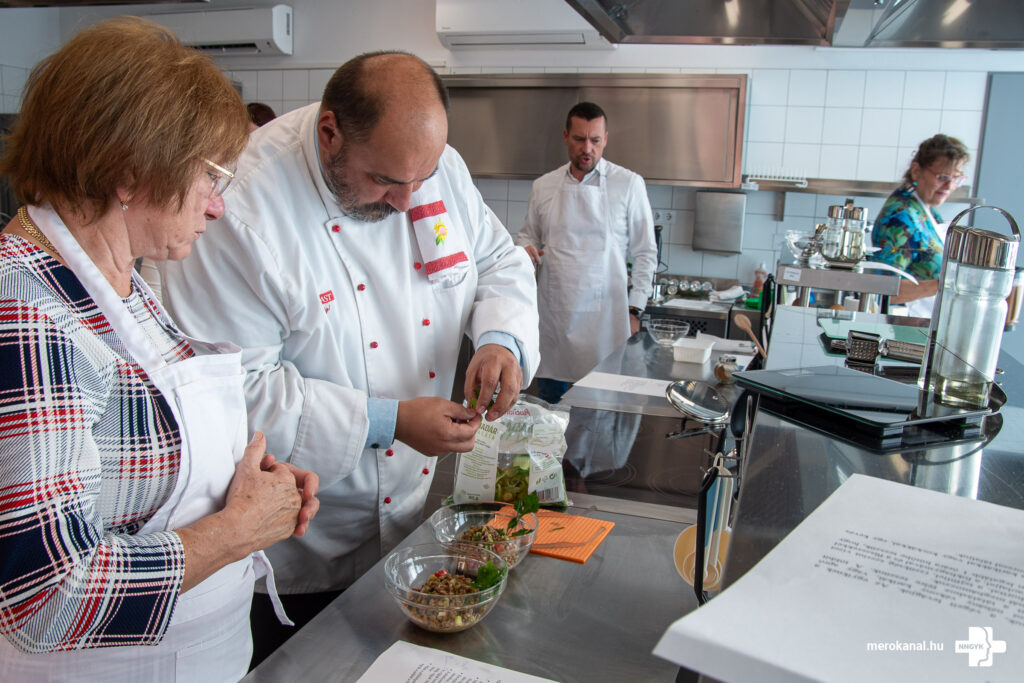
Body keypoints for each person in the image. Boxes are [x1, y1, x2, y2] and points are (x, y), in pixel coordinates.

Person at [156, 51, 540, 659]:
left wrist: (501, 339)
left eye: (422, 179)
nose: (408, 201)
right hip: (302, 537)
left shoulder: (428, 167)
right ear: (331, 133)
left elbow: (497, 258)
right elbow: (237, 391)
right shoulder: (243, 207)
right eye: (385, 181)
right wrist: (389, 420)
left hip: (413, 520)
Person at [0, 17, 319, 681]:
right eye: (209, 177)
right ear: (128, 175)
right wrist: (236, 530)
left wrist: (246, 484)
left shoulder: (121, 281)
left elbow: (134, 462)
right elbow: (47, 598)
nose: (217, 207)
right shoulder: (28, 313)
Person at [516, 101, 657, 404]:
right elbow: (528, 235)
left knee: (599, 416)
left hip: (604, 325)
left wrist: (635, 308)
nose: (587, 149)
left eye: (595, 140)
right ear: (566, 136)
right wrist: (524, 251)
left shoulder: (628, 185)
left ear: (605, 139)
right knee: (551, 417)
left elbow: (645, 251)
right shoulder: (544, 186)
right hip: (555, 322)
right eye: (579, 139)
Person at [871, 134, 970, 318]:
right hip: (905, 325)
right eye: (942, 177)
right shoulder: (901, 217)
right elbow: (884, 290)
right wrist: (945, 283)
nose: (949, 186)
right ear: (916, 171)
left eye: (956, 178)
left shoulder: (925, 208)